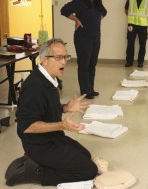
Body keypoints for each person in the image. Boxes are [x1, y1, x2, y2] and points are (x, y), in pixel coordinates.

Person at [5, 38, 98, 186]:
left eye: (65, 57)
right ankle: (35, 172)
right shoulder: (34, 86)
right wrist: (62, 125)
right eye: (58, 58)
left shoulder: (49, 79)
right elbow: (26, 126)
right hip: (39, 145)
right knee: (88, 171)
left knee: (86, 156)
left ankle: (35, 161)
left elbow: (44, 108)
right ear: (45, 60)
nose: (64, 62)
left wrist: (65, 108)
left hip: (53, 137)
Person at [61, 0, 107, 99]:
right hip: (83, 38)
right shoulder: (80, 1)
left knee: (92, 64)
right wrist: (76, 20)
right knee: (84, 65)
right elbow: (64, 10)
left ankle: (90, 89)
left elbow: (104, 12)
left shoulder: (98, 1)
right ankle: (85, 91)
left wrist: (96, 19)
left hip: (96, 37)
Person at [124, 0, 148, 68]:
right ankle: (129, 62)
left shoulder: (147, 1)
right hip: (131, 25)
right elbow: (126, 11)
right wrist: (132, 18)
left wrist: (144, 20)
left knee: (142, 44)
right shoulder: (130, 0)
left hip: (143, 26)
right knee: (130, 43)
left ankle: (140, 62)